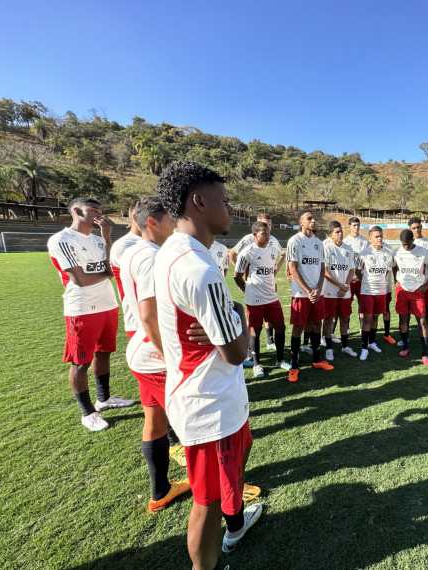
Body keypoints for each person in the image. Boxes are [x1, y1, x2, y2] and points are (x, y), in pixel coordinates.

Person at [154, 162, 261, 569]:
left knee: (222, 487)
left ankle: (236, 526)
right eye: (225, 200)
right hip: (209, 404)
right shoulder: (200, 270)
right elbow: (237, 353)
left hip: (199, 392)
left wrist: (229, 318)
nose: (231, 209)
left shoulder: (172, 250)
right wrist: (240, 315)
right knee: (206, 504)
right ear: (198, 202)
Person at [119, 197, 191, 513]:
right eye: (170, 219)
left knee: (155, 421)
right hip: (154, 355)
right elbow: (148, 316)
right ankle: (221, 488)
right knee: (192, 424)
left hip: (140, 352)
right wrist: (170, 356)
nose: (175, 224)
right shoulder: (150, 257)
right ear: (152, 222)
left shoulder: (134, 252)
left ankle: (160, 490)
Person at [47, 198, 134, 432]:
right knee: (81, 362)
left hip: (108, 304)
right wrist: (107, 274)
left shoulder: (97, 239)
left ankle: (103, 399)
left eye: (100, 209)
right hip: (82, 308)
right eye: (93, 210)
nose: (99, 214)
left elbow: (108, 266)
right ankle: (87, 413)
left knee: (104, 353)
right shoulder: (61, 240)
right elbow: (81, 279)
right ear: (76, 211)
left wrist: (106, 237)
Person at [234, 221, 291, 377]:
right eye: (264, 233)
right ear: (254, 235)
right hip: (254, 299)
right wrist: (246, 288)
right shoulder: (247, 252)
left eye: (268, 233)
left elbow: (272, 270)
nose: (267, 236)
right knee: (255, 330)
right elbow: (237, 276)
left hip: (272, 297)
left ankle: (280, 360)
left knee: (280, 327)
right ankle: (257, 364)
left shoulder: (273, 249)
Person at [286, 209, 335, 382]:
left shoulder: (318, 243)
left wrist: (318, 289)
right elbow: (293, 269)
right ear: (301, 222)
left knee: (316, 325)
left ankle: (316, 359)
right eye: (309, 218)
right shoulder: (294, 241)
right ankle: (294, 365)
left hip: (317, 293)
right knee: (298, 327)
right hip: (301, 293)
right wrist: (308, 291)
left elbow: (322, 269)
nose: (312, 221)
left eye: (313, 218)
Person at [230, 213, 285, 352]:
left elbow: (282, 254)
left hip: (269, 284)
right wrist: (242, 277)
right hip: (253, 286)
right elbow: (232, 255)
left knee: (271, 318)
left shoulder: (272, 241)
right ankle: (250, 351)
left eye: (270, 225)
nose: (268, 228)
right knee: (254, 324)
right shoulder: (248, 242)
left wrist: (276, 269)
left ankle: (270, 341)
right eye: (265, 224)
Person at [392, 229, 428, 366]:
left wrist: (427, 283)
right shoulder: (397, 252)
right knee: (402, 318)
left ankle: (425, 353)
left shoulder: (423, 252)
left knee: (421, 321)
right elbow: (394, 267)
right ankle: (406, 347)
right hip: (402, 290)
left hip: (417, 291)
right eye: (403, 244)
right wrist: (395, 280)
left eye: (408, 244)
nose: (405, 247)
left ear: (413, 240)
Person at [355, 226, 395, 361]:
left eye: (381, 236)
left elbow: (388, 271)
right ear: (370, 238)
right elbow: (356, 270)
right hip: (367, 290)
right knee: (367, 318)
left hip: (381, 291)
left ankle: (372, 342)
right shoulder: (364, 253)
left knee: (376, 317)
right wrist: (365, 281)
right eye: (376, 236)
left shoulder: (388, 253)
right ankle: (364, 348)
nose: (379, 238)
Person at [402, 216, 428, 349]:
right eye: (414, 228)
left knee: (427, 310)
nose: (416, 230)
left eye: (418, 227)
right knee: (406, 311)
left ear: (421, 227)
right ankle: (405, 338)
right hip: (409, 285)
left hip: (425, 284)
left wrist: (427, 282)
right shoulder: (405, 243)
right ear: (409, 229)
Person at [321, 221, 358, 359]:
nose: (340, 234)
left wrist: (345, 286)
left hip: (344, 292)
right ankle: (329, 348)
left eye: (341, 231)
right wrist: (341, 285)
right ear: (331, 235)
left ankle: (345, 346)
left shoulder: (348, 249)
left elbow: (351, 270)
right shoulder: (326, 248)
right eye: (337, 232)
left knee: (344, 318)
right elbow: (325, 271)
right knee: (329, 320)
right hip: (330, 292)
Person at [110, 200, 142, 338]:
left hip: (164, 320)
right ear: (135, 218)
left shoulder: (162, 243)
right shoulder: (125, 246)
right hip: (139, 323)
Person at [342, 216, 369, 330]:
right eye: (354, 225)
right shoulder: (345, 242)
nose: (356, 227)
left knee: (363, 305)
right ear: (349, 227)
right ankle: (347, 328)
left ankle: (362, 327)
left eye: (358, 225)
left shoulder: (365, 241)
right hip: (349, 279)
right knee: (347, 305)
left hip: (362, 279)